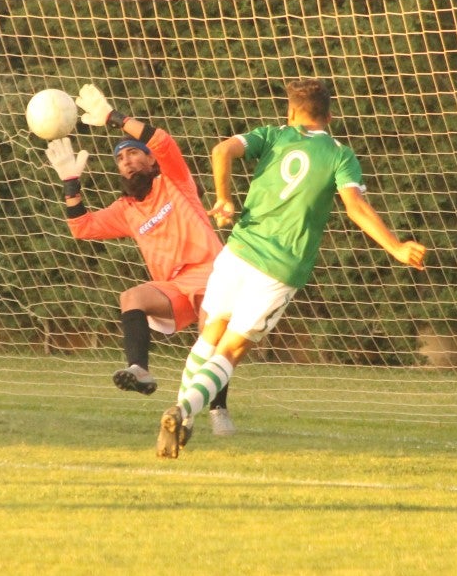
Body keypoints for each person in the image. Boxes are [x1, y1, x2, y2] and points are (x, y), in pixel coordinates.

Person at [156, 77, 428, 458]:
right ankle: (183, 411)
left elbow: (222, 151)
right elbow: (356, 207)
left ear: (291, 112)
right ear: (329, 117)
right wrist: (396, 247)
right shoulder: (339, 155)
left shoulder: (271, 135)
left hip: (239, 250)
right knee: (231, 351)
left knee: (209, 335)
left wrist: (224, 199)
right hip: (281, 267)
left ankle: (184, 416)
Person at [44, 83, 236, 435]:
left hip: (214, 273)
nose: (128, 161)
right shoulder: (126, 209)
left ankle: (218, 409)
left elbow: (164, 140)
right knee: (131, 298)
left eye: (134, 153)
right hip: (174, 286)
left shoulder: (174, 182)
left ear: (149, 160)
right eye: (121, 158)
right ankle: (140, 370)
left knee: (209, 334)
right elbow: (82, 227)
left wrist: (113, 118)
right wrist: (71, 181)